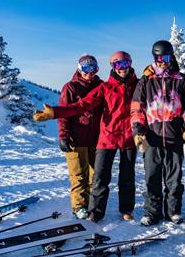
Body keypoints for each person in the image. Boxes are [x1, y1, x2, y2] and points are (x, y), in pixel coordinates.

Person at [34, 51, 139, 223]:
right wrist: (55, 113)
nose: (122, 68)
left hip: (128, 137)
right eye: (118, 64)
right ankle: (96, 211)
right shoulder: (105, 87)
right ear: (113, 66)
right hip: (107, 138)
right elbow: (81, 105)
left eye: (125, 64)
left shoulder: (138, 85)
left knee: (127, 177)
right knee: (99, 177)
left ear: (130, 64)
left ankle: (126, 209)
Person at [130, 40, 185, 226]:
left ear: (171, 56)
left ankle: (173, 211)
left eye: (165, 57)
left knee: (174, 178)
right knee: (152, 177)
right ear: (154, 58)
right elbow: (137, 109)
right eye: (158, 58)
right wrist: (139, 131)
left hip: (174, 136)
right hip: (152, 137)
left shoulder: (180, 80)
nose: (162, 62)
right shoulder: (146, 80)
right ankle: (152, 212)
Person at [58, 54, 103, 219]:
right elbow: (63, 114)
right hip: (75, 139)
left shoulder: (101, 86)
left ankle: (93, 201)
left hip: (97, 139)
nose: (89, 73)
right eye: (85, 68)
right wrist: (63, 135)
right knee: (78, 174)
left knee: (96, 174)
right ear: (79, 68)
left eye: (93, 69)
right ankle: (79, 206)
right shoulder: (70, 87)